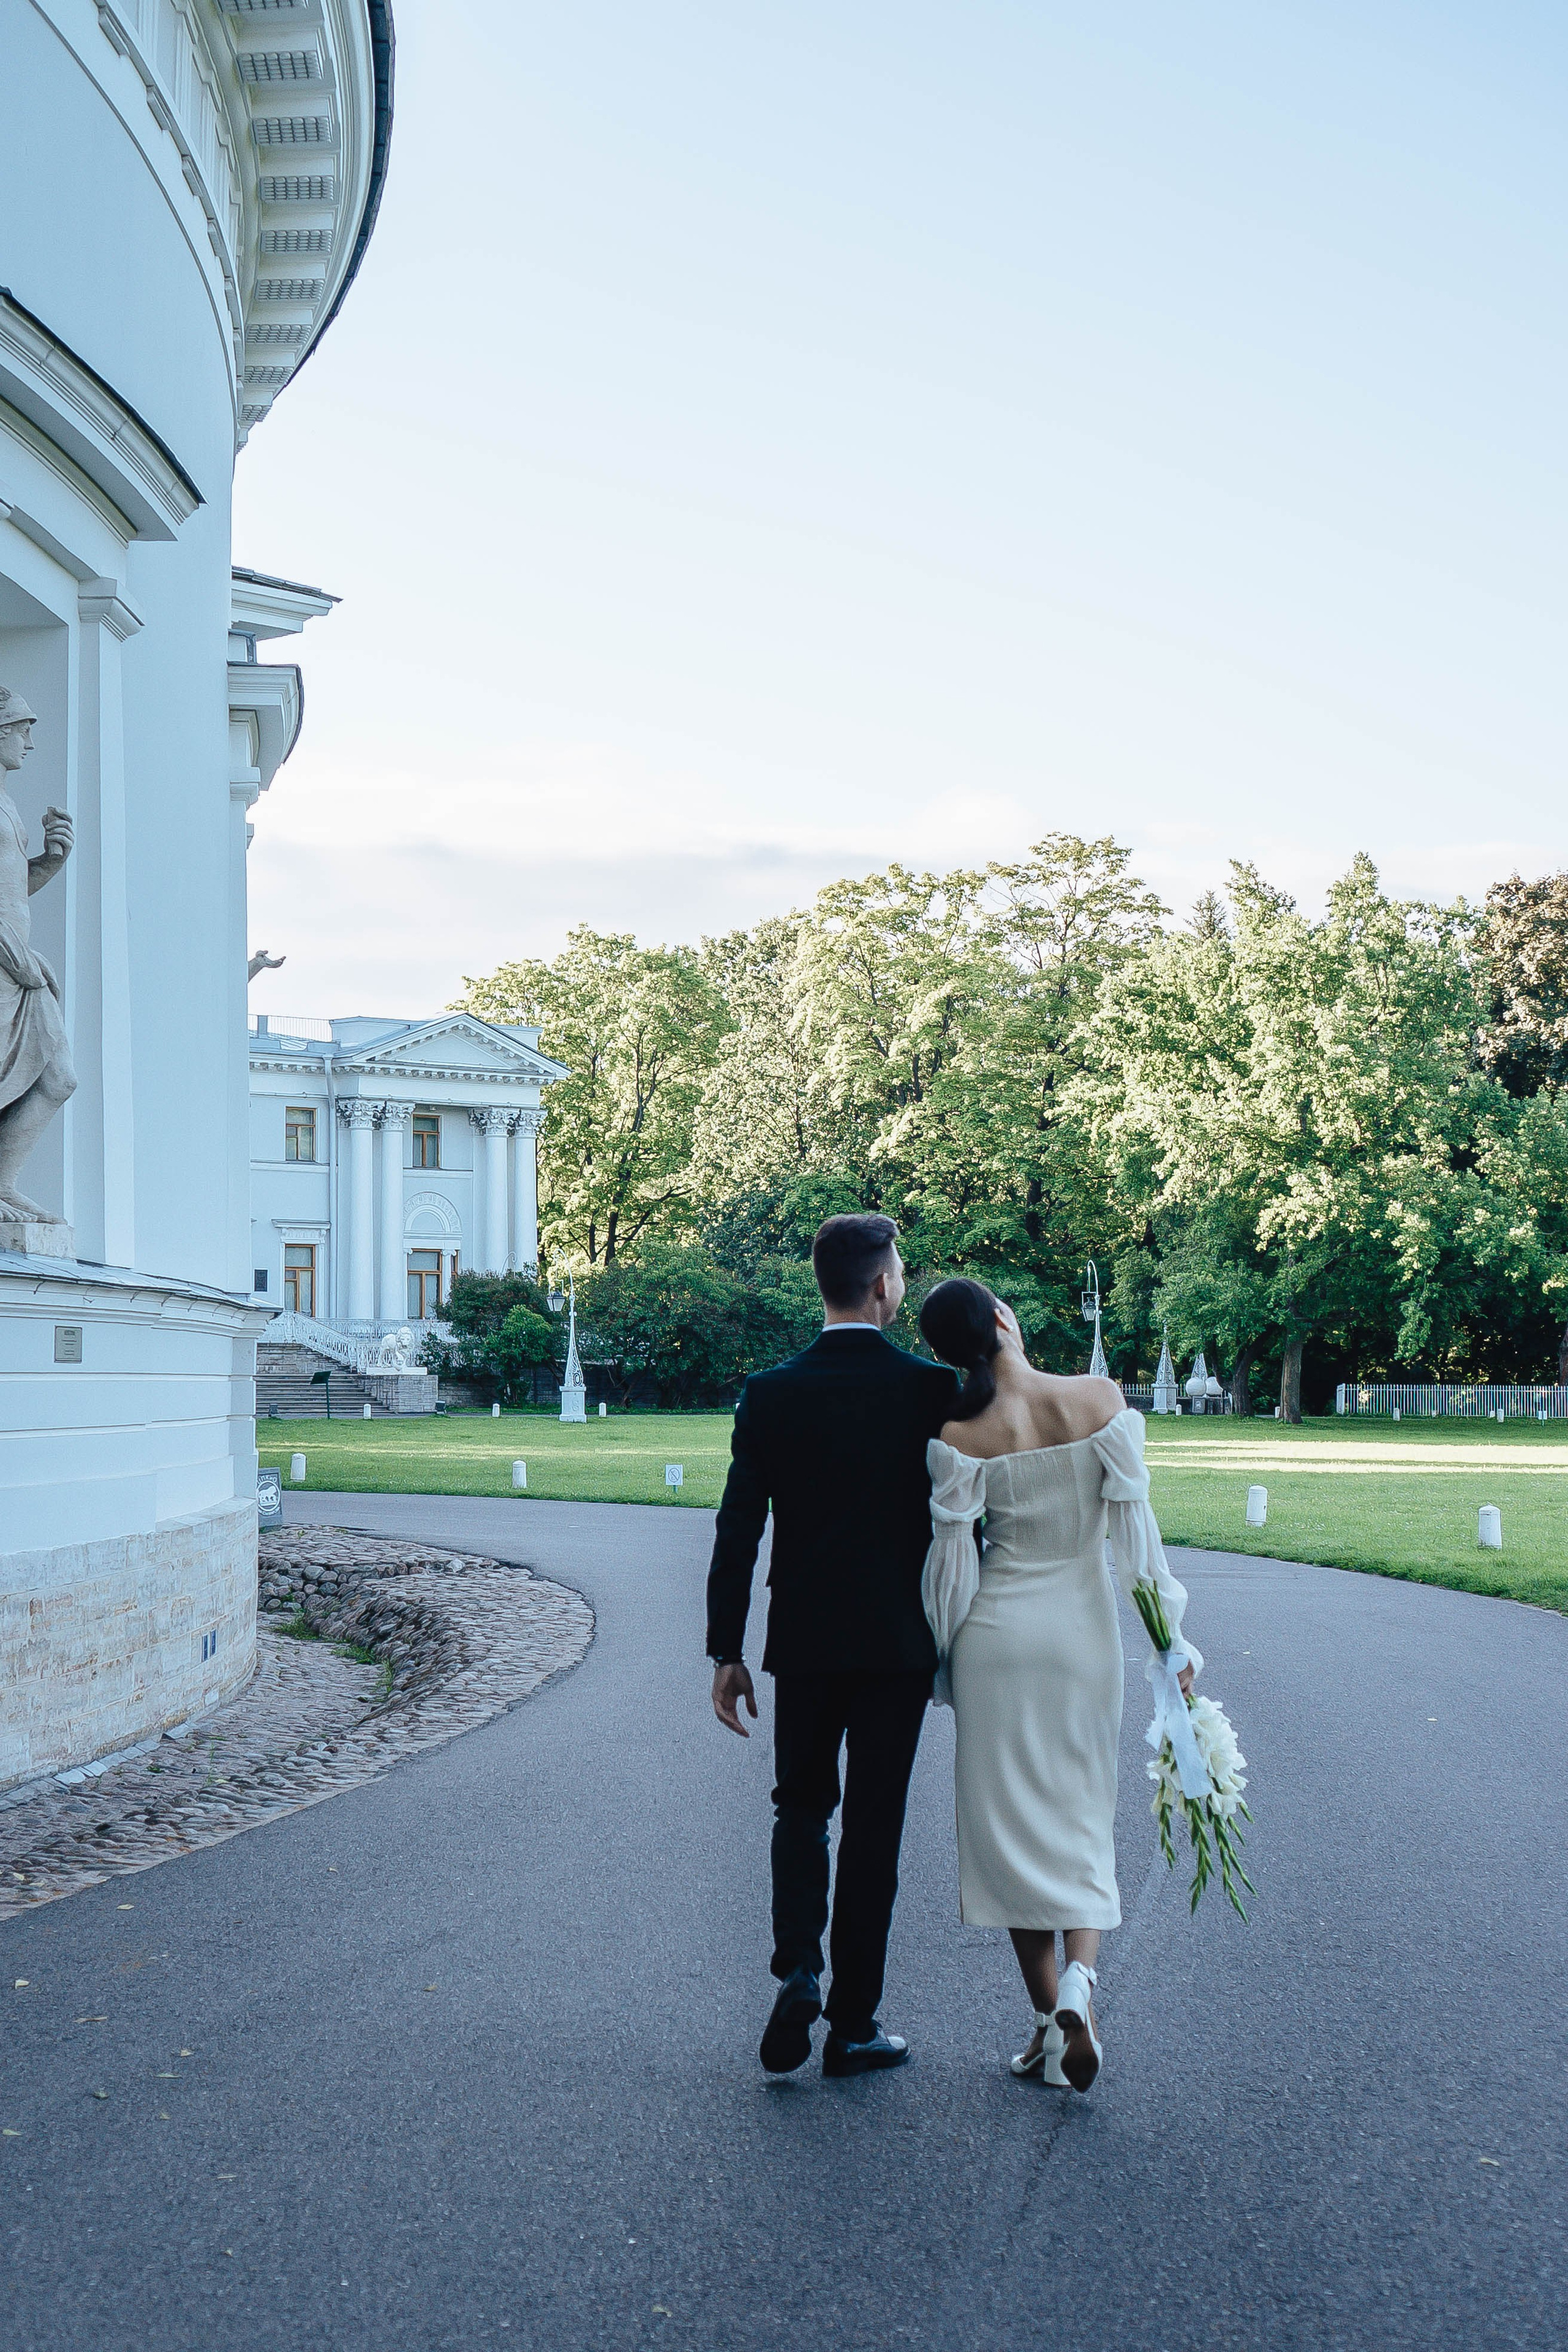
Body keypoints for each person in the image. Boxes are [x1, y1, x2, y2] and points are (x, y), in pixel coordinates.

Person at [917, 1276, 1200, 2093]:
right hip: (1083, 1638)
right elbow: (1136, 1546)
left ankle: (1050, 2021)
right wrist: (1171, 1640)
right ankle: (1078, 1986)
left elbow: (952, 1568)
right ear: (1004, 1320)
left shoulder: (960, 1434)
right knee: (1080, 1814)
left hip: (997, 1642)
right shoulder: (1098, 1399)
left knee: (1010, 1833)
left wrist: (943, 1661)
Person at [707, 1213, 957, 2078]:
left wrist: (724, 1651)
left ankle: (798, 1969)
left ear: (824, 1286)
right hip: (897, 1643)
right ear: (883, 1286)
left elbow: (738, 1528)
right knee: (875, 1831)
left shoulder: (771, 1391)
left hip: (803, 1640)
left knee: (801, 1809)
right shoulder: (932, 1390)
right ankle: (854, 2024)